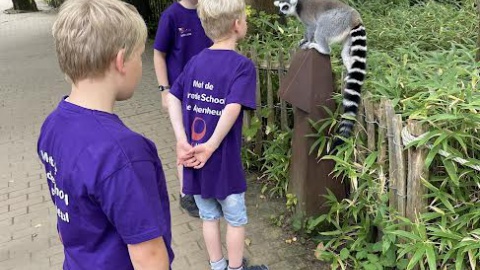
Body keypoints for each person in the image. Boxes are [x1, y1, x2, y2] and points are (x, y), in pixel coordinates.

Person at [37, 0, 173, 269]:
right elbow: (149, 257)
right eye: (139, 55)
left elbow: (66, 217)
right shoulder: (124, 153)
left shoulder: (52, 125)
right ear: (121, 61)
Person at [167, 0, 269, 269]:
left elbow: (172, 97)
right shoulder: (242, 66)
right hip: (222, 163)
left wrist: (181, 139)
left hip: (193, 159)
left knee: (208, 216)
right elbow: (233, 107)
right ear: (237, 25)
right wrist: (211, 145)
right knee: (236, 219)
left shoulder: (195, 62)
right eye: (245, 19)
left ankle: (218, 265)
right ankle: (235, 268)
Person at [153, 0, 213, 218]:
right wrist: (164, 90)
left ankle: (206, 186)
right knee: (185, 141)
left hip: (207, 89)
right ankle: (186, 193)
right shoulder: (171, 16)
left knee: (205, 138)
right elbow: (159, 54)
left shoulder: (209, 11)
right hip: (180, 93)